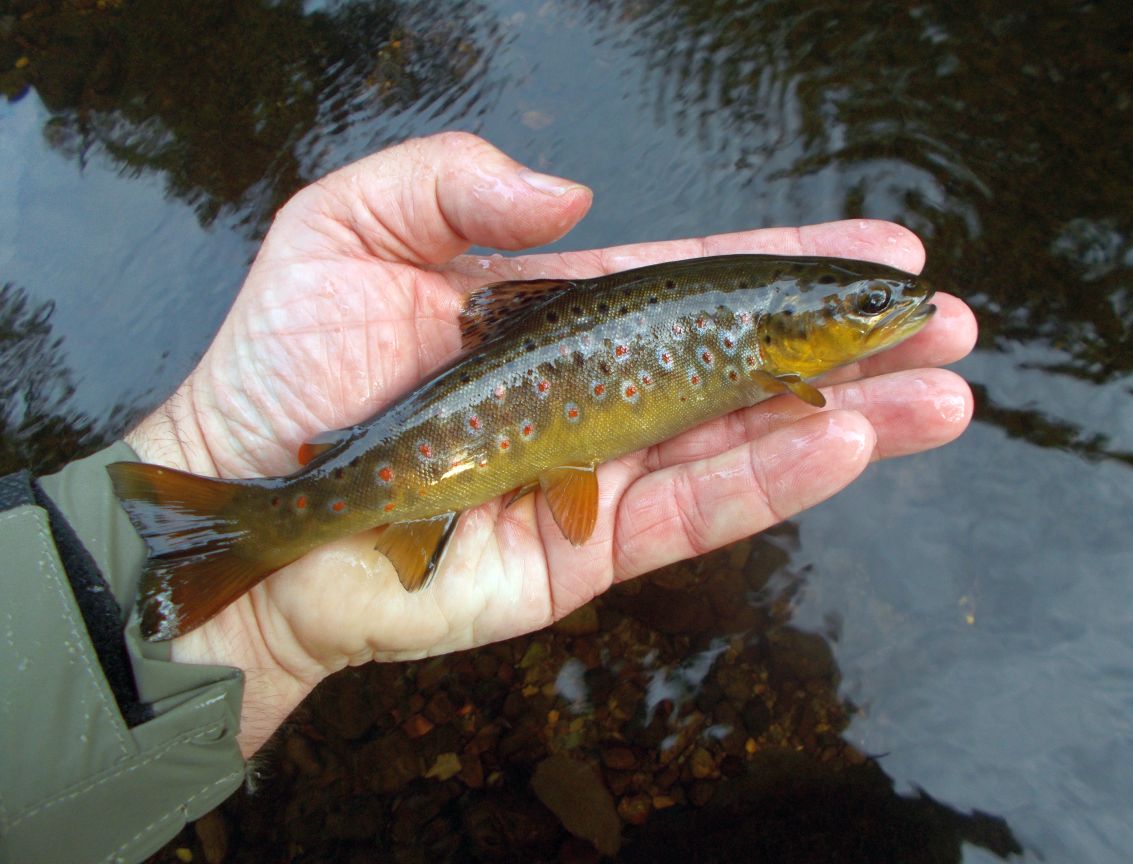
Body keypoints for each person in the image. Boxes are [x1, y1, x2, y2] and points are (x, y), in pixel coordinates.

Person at [0, 132, 976, 862]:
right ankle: (249, 533)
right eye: (867, 305)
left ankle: (220, 544)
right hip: (452, 437)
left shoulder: (778, 359)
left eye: (871, 305)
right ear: (786, 333)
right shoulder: (772, 361)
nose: (892, 311)